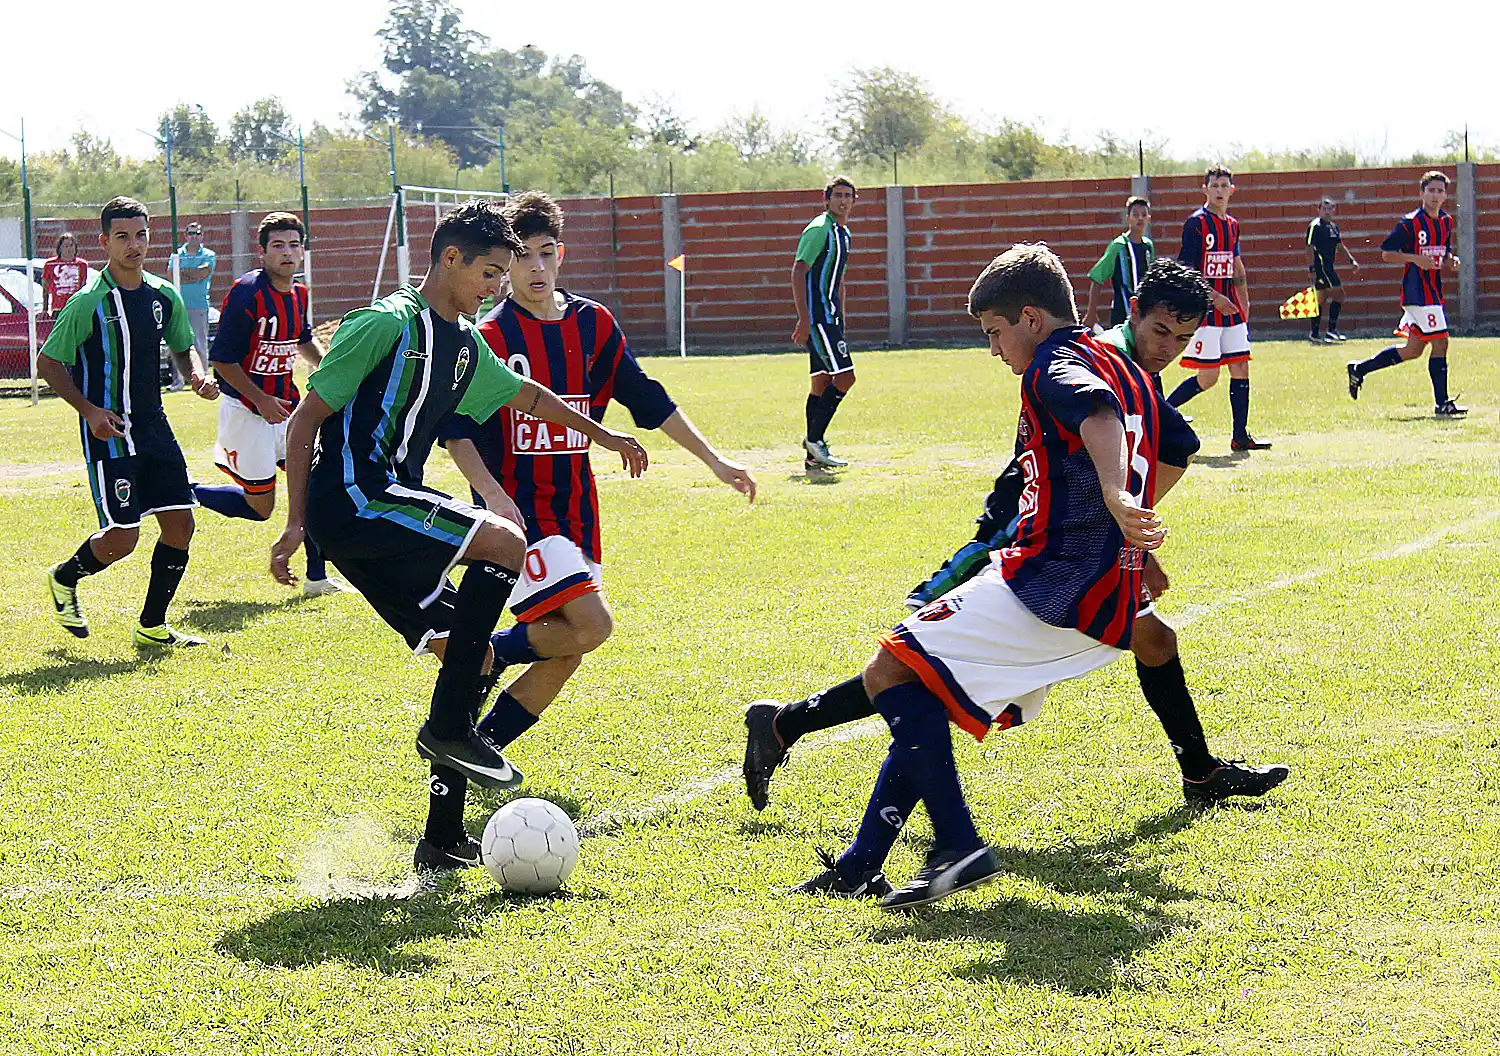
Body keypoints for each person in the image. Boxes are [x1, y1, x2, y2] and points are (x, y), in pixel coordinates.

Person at [744, 259, 1288, 817]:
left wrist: (1130, 530)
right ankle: (805, 741)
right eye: (1160, 332)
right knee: (920, 665)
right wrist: (1118, 504)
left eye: (1183, 338)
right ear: (1133, 315)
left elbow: (1175, 447)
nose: (1170, 347)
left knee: (1155, 641)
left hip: (1085, 538)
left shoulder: (1127, 371)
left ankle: (1199, 773)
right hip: (1028, 527)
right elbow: (1101, 425)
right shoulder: (1081, 357)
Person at [770, 244, 1195, 910]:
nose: (994, 349)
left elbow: (1100, 417)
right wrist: (1131, 528)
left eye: (994, 333)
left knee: (890, 670)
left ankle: (958, 847)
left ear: (1029, 318)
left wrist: (1116, 497)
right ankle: (861, 865)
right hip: (1096, 586)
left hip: (1056, 585)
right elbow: (1168, 445)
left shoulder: (1055, 365)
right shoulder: (1117, 359)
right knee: (926, 689)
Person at [268, 200, 649, 874]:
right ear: (450, 259)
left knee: (470, 660)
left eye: (505, 274)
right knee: (503, 540)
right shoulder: (385, 324)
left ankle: (440, 839)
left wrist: (606, 434)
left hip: (375, 520)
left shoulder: (466, 346)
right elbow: (304, 422)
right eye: (491, 272)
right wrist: (296, 522)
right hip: (357, 499)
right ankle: (450, 730)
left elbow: (528, 396)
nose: (498, 286)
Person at [438, 190, 756, 794]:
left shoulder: (593, 324)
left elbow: (647, 398)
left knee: (569, 647)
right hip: (522, 513)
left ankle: (476, 747)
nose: (535, 269)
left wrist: (715, 461)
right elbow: (455, 430)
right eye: (522, 257)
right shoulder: (491, 336)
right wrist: (492, 498)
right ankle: (484, 654)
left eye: (546, 253)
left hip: (577, 511)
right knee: (592, 624)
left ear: (561, 255)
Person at [38, 197, 219, 647]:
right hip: (111, 431)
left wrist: (194, 371)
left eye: (140, 235)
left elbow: (182, 344)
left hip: (155, 425)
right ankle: (64, 577)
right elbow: (49, 363)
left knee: (180, 525)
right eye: (122, 237)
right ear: (104, 242)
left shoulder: (163, 294)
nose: (133, 245)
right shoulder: (88, 303)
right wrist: (90, 411)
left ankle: (153, 626)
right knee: (124, 538)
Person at [190, 212, 347, 595]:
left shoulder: (300, 293)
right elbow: (223, 361)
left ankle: (315, 577)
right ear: (261, 252)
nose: (287, 252)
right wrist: (259, 400)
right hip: (247, 410)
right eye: (278, 245)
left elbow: (303, 339)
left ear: (303, 251)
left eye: (294, 244)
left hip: (288, 409)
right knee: (261, 508)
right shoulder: (247, 292)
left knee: (310, 487)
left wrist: (331, 370)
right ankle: (184, 489)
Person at [1166, 167, 1271, 451]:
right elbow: (1186, 271)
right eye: (1215, 185)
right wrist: (1215, 297)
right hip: (1207, 310)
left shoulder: (1233, 225)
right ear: (1205, 189)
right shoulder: (1196, 224)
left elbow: (1236, 264)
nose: (1220, 190)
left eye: (1225, 185)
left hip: (1231, 308)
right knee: (1208, 378)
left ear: (1232, 190)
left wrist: (1243, 300)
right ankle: (1161, 413)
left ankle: (1240, 436)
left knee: (1240, 368)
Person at [1346, 171, 1465, 416]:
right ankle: (1442, 403)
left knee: (1413, 350)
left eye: (1440, 191)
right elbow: (1386, 253)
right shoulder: (1410, 222)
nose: (1435, 195)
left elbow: (1443, 253)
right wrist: (1415, 259)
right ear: (1421, 193)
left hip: (1433, 290)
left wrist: (1451, 260)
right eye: (1430, 190)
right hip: (1417, 292)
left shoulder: (1446, 222)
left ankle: (1359, 369)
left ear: (1446, 195)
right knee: (1441, 342)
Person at [793, 176, 857, 470]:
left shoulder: (843, 233)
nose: (843, 200)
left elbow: (839, 280)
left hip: (830, 318)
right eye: (838, 195)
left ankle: (811, 456)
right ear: (826, 199)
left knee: (821, 382)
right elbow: (798, 271)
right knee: (845, 377)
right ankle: (815, 441)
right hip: (818, 318)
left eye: (848, 195)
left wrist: (841, 318)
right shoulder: (820, 229)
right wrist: (805, 319)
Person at [1084, 196, 1154, 330]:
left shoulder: (1148, 246)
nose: (1140, 218)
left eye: (1144, 215)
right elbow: (1097, 277)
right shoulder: (1119, 246)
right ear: (1127, 218)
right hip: (1122, 313)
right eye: (1135, 214)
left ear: (1149, 218)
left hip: (1143, 314)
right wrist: (1091, 312)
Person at [1306, 198, 1359, 343]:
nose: (1327, 212)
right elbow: (1309, 247)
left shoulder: (1333, 227)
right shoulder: (1315, 226)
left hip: (1329, 266)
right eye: (1324, 208)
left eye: (1330, 209)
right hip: (1321, 267)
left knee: (1320, 299)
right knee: (1339, 295)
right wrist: (1311, 269)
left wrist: (1351, 260)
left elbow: (1339, 245)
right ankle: (1331, 331)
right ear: (1319, 210)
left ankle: (1315, 333)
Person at [172, 222, 217, 392]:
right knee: (177, 344)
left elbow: (202, 273)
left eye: (197, 233)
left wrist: (184, 273)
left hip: (199, 305)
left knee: (199, 343)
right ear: (185, 235)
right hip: (180, 305)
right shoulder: (177, 254)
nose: (194, 236)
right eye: (191, 233)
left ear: (202, 235)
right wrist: (193, 274)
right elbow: (172, 275)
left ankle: (203, 380)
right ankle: (178, 382)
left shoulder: (209, 255)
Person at [41, 234, 89, 317]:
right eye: (66, 246)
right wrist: (45, 309)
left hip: (75, 307)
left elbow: (83, 286)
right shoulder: (50, 264)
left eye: (71, 246)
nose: (69, 249)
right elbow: (45, 288)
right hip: (58, 308)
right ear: (60, 249)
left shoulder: (82, 264)